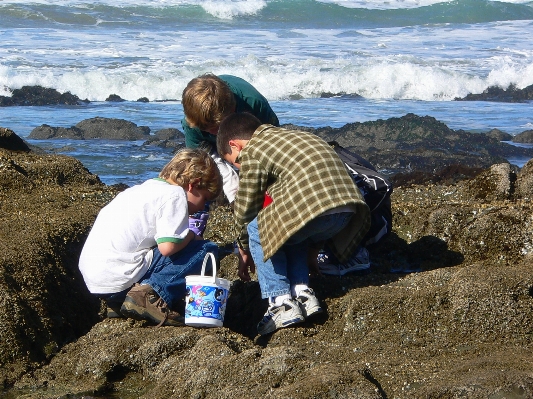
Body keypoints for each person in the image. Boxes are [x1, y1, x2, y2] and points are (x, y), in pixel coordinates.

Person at [216, 112, 371, 335]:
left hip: (314, 208)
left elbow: (246, 206)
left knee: (257, 229)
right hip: (349, 210)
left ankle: (280, 302)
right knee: (290, 231)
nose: (240, 167)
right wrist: (314, 250)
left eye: (235, 162)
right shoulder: (299, 136)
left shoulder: (254, 149)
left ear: (235, 145)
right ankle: (302, 293)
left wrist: (243, 247)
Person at [78, 148, 223, 326]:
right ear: (194, 184)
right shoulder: (175, 194)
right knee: (207, 250)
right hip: (119, 275)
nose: (203, 208)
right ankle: (149, 294)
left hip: (98, 282)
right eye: (205, 200)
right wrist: (192, 235)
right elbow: (168, 247)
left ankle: (120, 302)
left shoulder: (139, 190)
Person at [181, 74, 280, 235]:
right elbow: (196, 161)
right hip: (209, 146)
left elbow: (274, 143)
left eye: (215, 127)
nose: (213, 133)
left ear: (232, 111)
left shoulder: (253, 103)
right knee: (216, 182)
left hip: (248, 132)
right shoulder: (193, 122)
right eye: (206, 129)